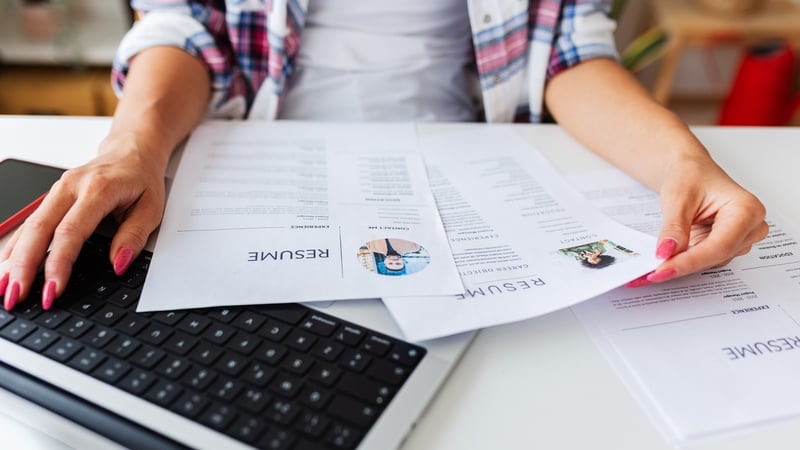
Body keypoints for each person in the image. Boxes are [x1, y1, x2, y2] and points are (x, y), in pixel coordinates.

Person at [0, 0, 768, 311]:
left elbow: (565, 46)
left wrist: (678, 161)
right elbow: (182, 25)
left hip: (460, 165)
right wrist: (133, 144)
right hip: (250, 164)